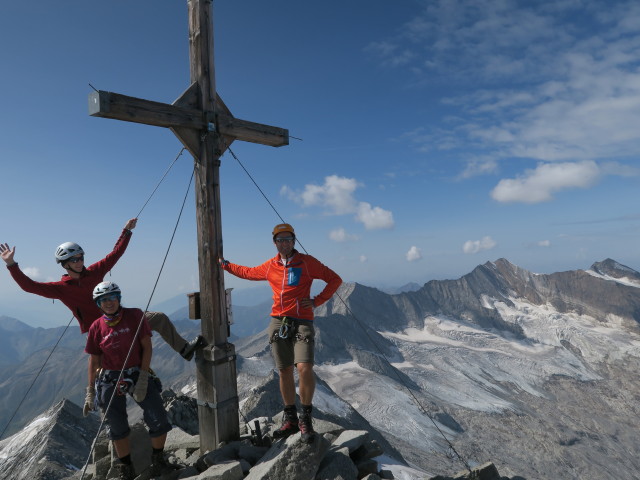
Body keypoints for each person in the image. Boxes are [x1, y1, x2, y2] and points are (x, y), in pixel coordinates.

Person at [0, 218, 205, 360]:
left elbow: (115, 254)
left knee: (158, 318)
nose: (80, 262)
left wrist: (126, 231)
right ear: (64, 264)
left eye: (81, 257)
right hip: (100, 332)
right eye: (74, 259)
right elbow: (29, 286)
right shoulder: (62, 288)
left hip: (120, 318)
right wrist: (11, 265)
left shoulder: (94, 272)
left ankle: (185, 350)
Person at [219, 223, 342, 443]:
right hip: (278, 321)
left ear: (294, 241)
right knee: (284, 370)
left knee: (304, 367)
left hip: (302, 320)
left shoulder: (307, 262)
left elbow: (335, 279)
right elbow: (247, 272)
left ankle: (305, 419)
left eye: (288, 239)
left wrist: (317, 301)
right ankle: (291, 419)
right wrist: (226, 265)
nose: (284, 243)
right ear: (274, 242)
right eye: (280, 240)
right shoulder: (270, 266)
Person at [84, 281, 174, 480]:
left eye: (112, 298)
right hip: (109, 377)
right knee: (116, 425)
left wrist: (142, 377)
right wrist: (90, 391)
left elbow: (147, 347)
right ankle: (126, 469)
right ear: (98, 304)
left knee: (158, 416)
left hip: (136, 372)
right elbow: (94, 360)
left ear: (119, 298)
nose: (108, 303)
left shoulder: (135, 315)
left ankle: (158, 460)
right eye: (103, 300)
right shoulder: (96, 327)